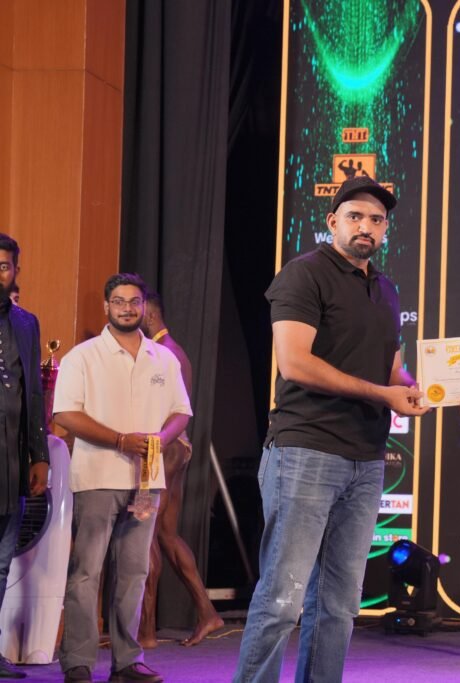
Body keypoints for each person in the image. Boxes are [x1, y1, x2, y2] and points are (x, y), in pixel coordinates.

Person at [233, 176, 429, 683]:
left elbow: (393, 372)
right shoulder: (305, 275)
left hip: (366, 458)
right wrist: (382, 394)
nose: (366, 227)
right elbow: (295, 363)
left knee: (339, 605)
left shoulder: (385, 289)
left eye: (377, 220)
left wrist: (430, 391)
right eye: (355, 217)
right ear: (333, 222)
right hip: (306, 450)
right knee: (282, 598)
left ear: (385, 229)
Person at [53, 273, 192, 683]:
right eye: (118, 301)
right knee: (87, 571)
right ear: (106, 307)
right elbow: (65, 414)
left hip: (147, 480)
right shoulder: (82, 357)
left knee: (135, 572)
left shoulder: (163, 358)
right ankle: (78, 661)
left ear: (144, 308)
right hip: (98, 476)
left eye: (134, 302)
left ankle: (127, 661)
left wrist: (160, 440)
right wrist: (119, 440)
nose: (127, 309)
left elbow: (181, 411)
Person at [137, 290, 224, 648]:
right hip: (178, 448)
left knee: (143, 533)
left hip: (162, 449)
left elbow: (166, 411)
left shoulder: (162, 352)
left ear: (150, 314)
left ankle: (145, 632)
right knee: (167, 535)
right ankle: (207, 612)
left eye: (136, 309)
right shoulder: (174, 350)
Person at [0, 234, 49, 680]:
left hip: (11, 462)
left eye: (4, 266)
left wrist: (40, 456)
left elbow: (32, 392)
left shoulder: (26, 323)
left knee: (1, 561)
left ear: (16, 271)